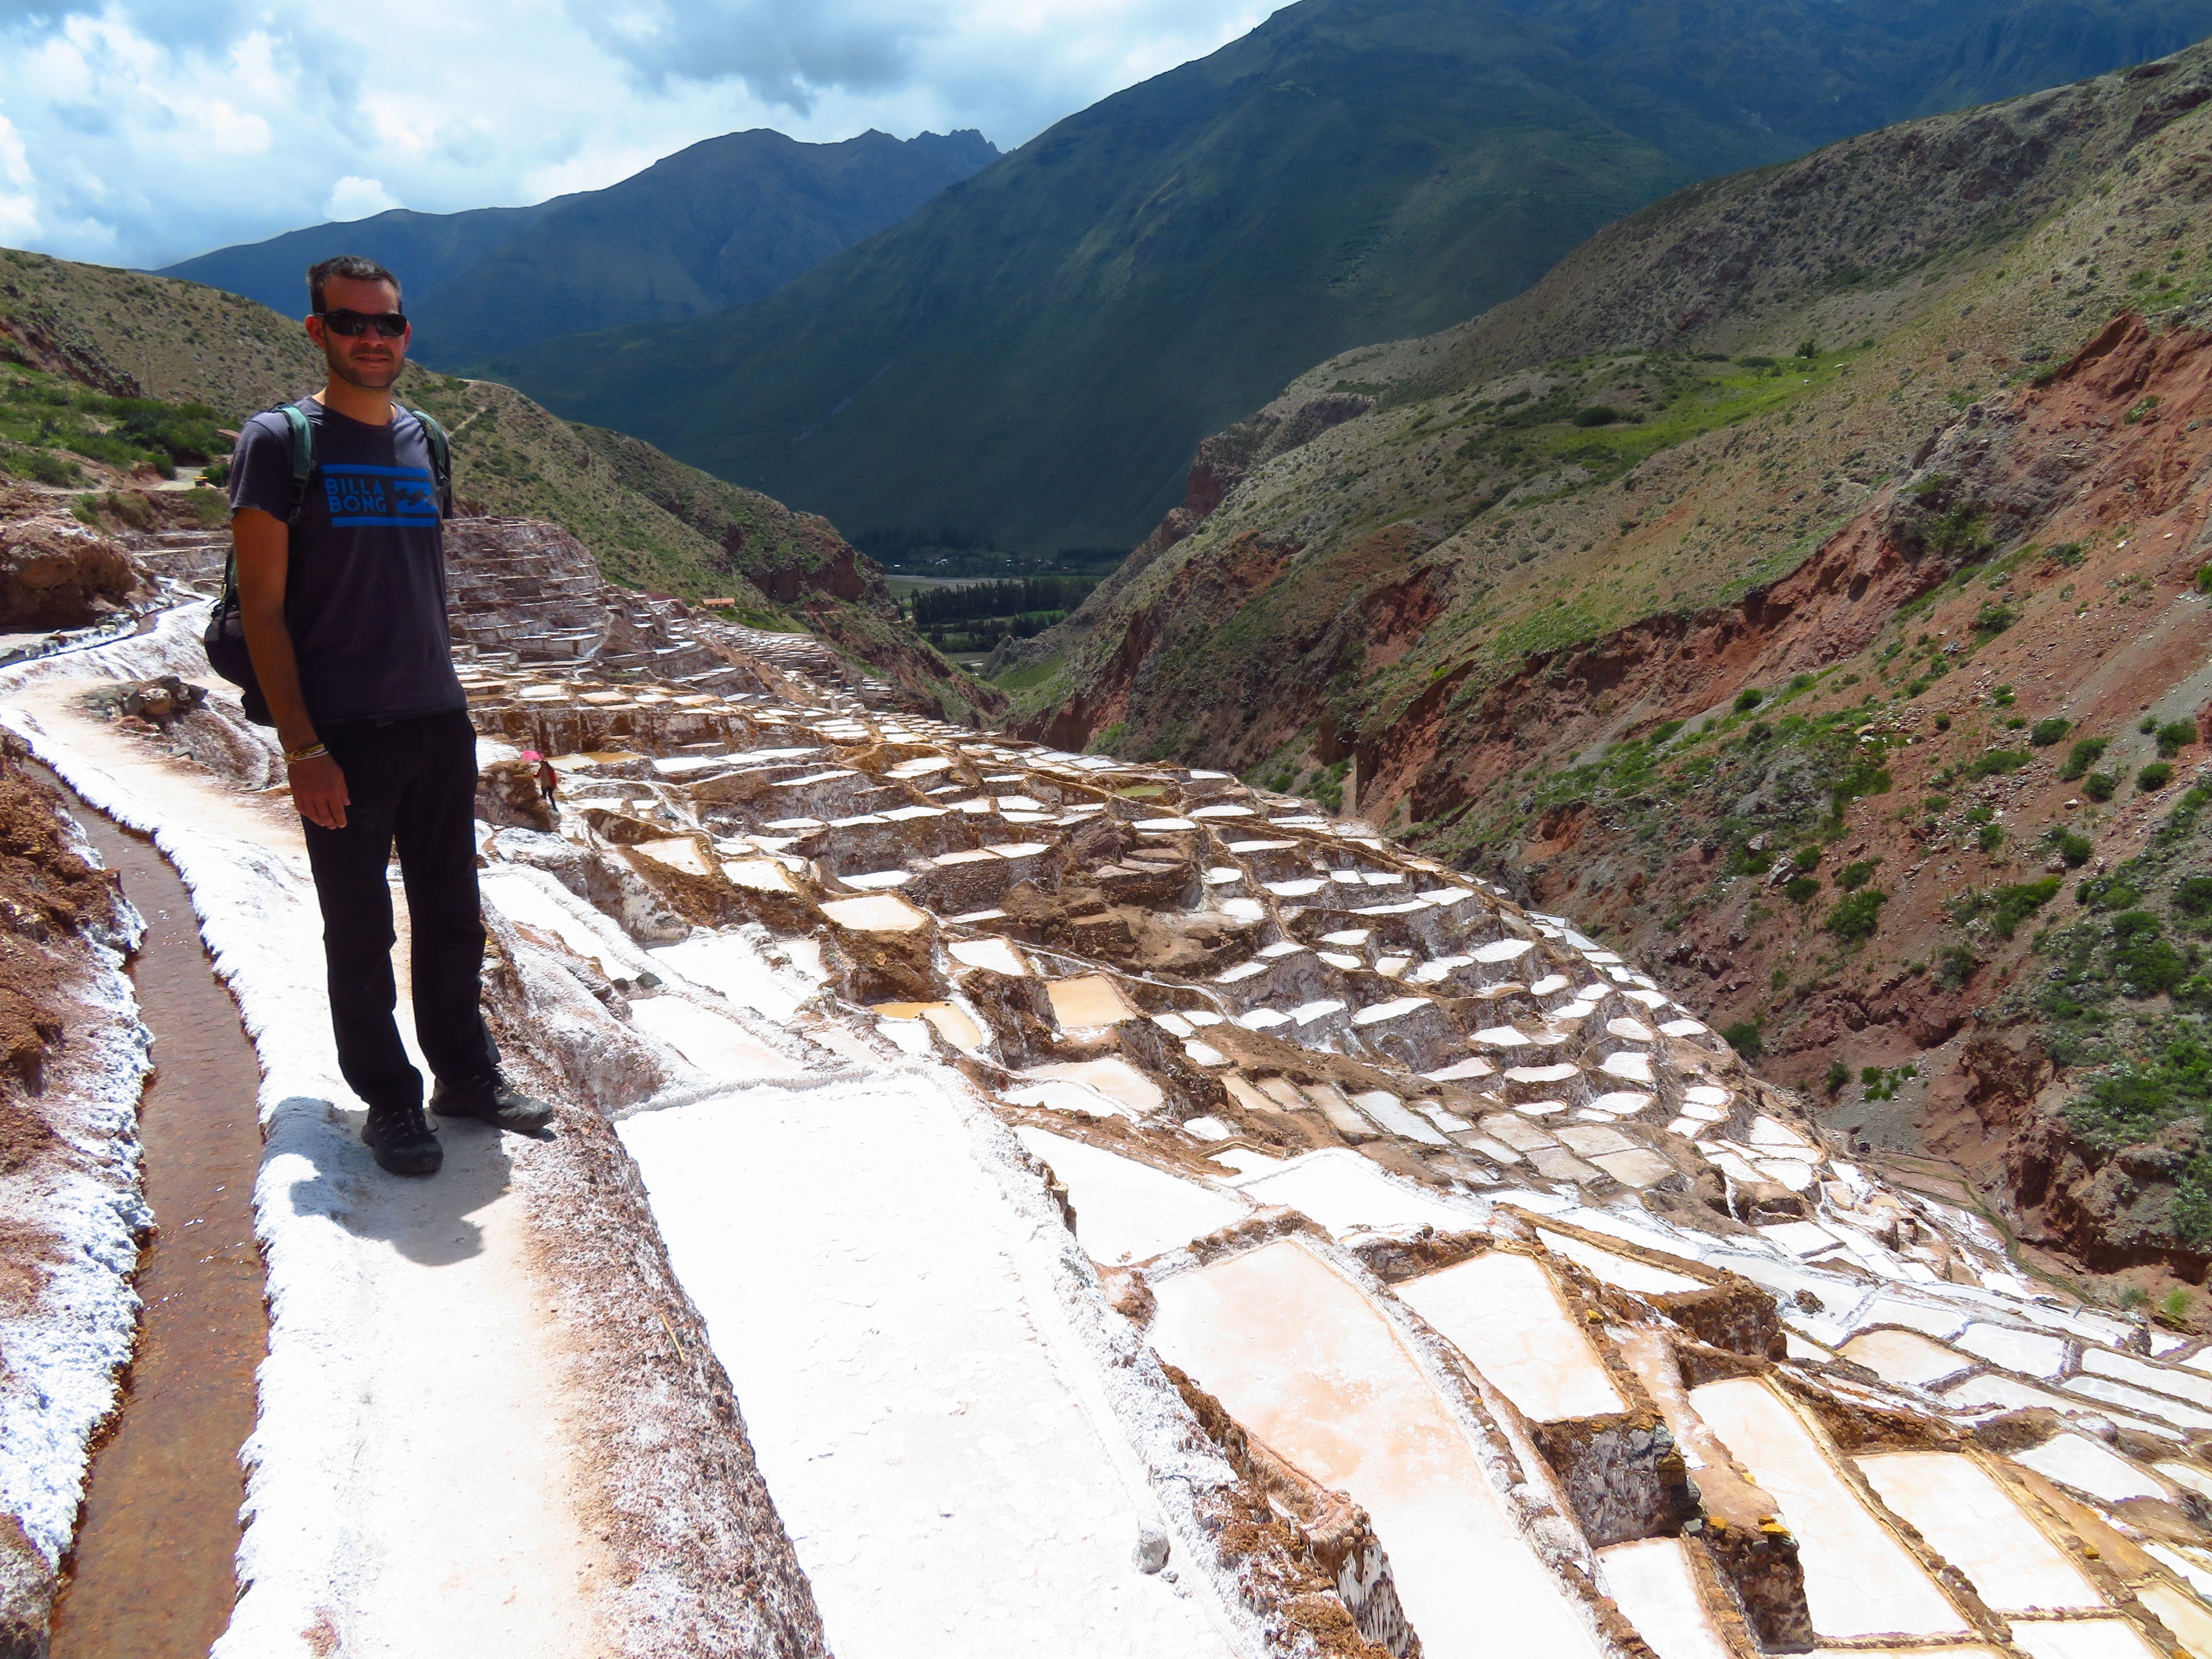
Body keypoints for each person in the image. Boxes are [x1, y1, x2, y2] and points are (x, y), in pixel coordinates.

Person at [227, 253, 551, 1176]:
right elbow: (262, 609)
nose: (372, 338)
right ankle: (389, 1099)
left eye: (387, 324)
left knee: (453, 913)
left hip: (436, 714)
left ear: (406, 333)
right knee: (361, 926)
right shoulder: (279, 443)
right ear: (317, 329)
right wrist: (303, 748)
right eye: (351, 322)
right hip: (344, 728)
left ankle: (466, 1077)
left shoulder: (426, 440)